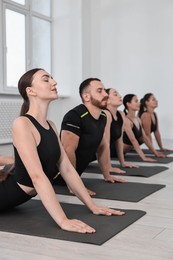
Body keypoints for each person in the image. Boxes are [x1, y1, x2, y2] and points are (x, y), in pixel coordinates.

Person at [0, 68, 125, 234]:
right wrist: (63, 220)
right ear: (30, 91)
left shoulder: (50, 125)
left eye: (52, 78)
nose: (54, 82)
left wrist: (92, 205)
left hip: (16, 196)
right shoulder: (22, 124)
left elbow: (66, 168)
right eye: (46, 79)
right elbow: (37, 177)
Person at [58, 78, 125, 196]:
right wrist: (73, 185)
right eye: (100, 91)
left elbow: (103, 146)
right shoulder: (74, 116)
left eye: (104, 90)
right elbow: (68, 151)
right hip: (57, 175)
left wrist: (107, 175)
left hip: (75, 174)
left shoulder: (103, 116)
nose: (105, 94)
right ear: (87, 97)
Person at [122, 94, 166, 162]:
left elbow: (144, 137)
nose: (139, 103)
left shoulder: (137, 119)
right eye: (136, 101)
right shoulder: (126, 120)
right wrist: (144, 157)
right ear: (128, 104)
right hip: (114, 152)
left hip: (125, 152)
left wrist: (155, 153)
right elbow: (133, 140)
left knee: (143, 137)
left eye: (138, 101)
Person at [104, 88, 138, 169]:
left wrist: (122, 163)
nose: (120, 96)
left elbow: (119, 140)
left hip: (106, 152)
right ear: (107, 100)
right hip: (91, 154)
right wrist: (109, 167)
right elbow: (105, 144)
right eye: (115, 94)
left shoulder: (121, 114)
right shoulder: (105, 114)